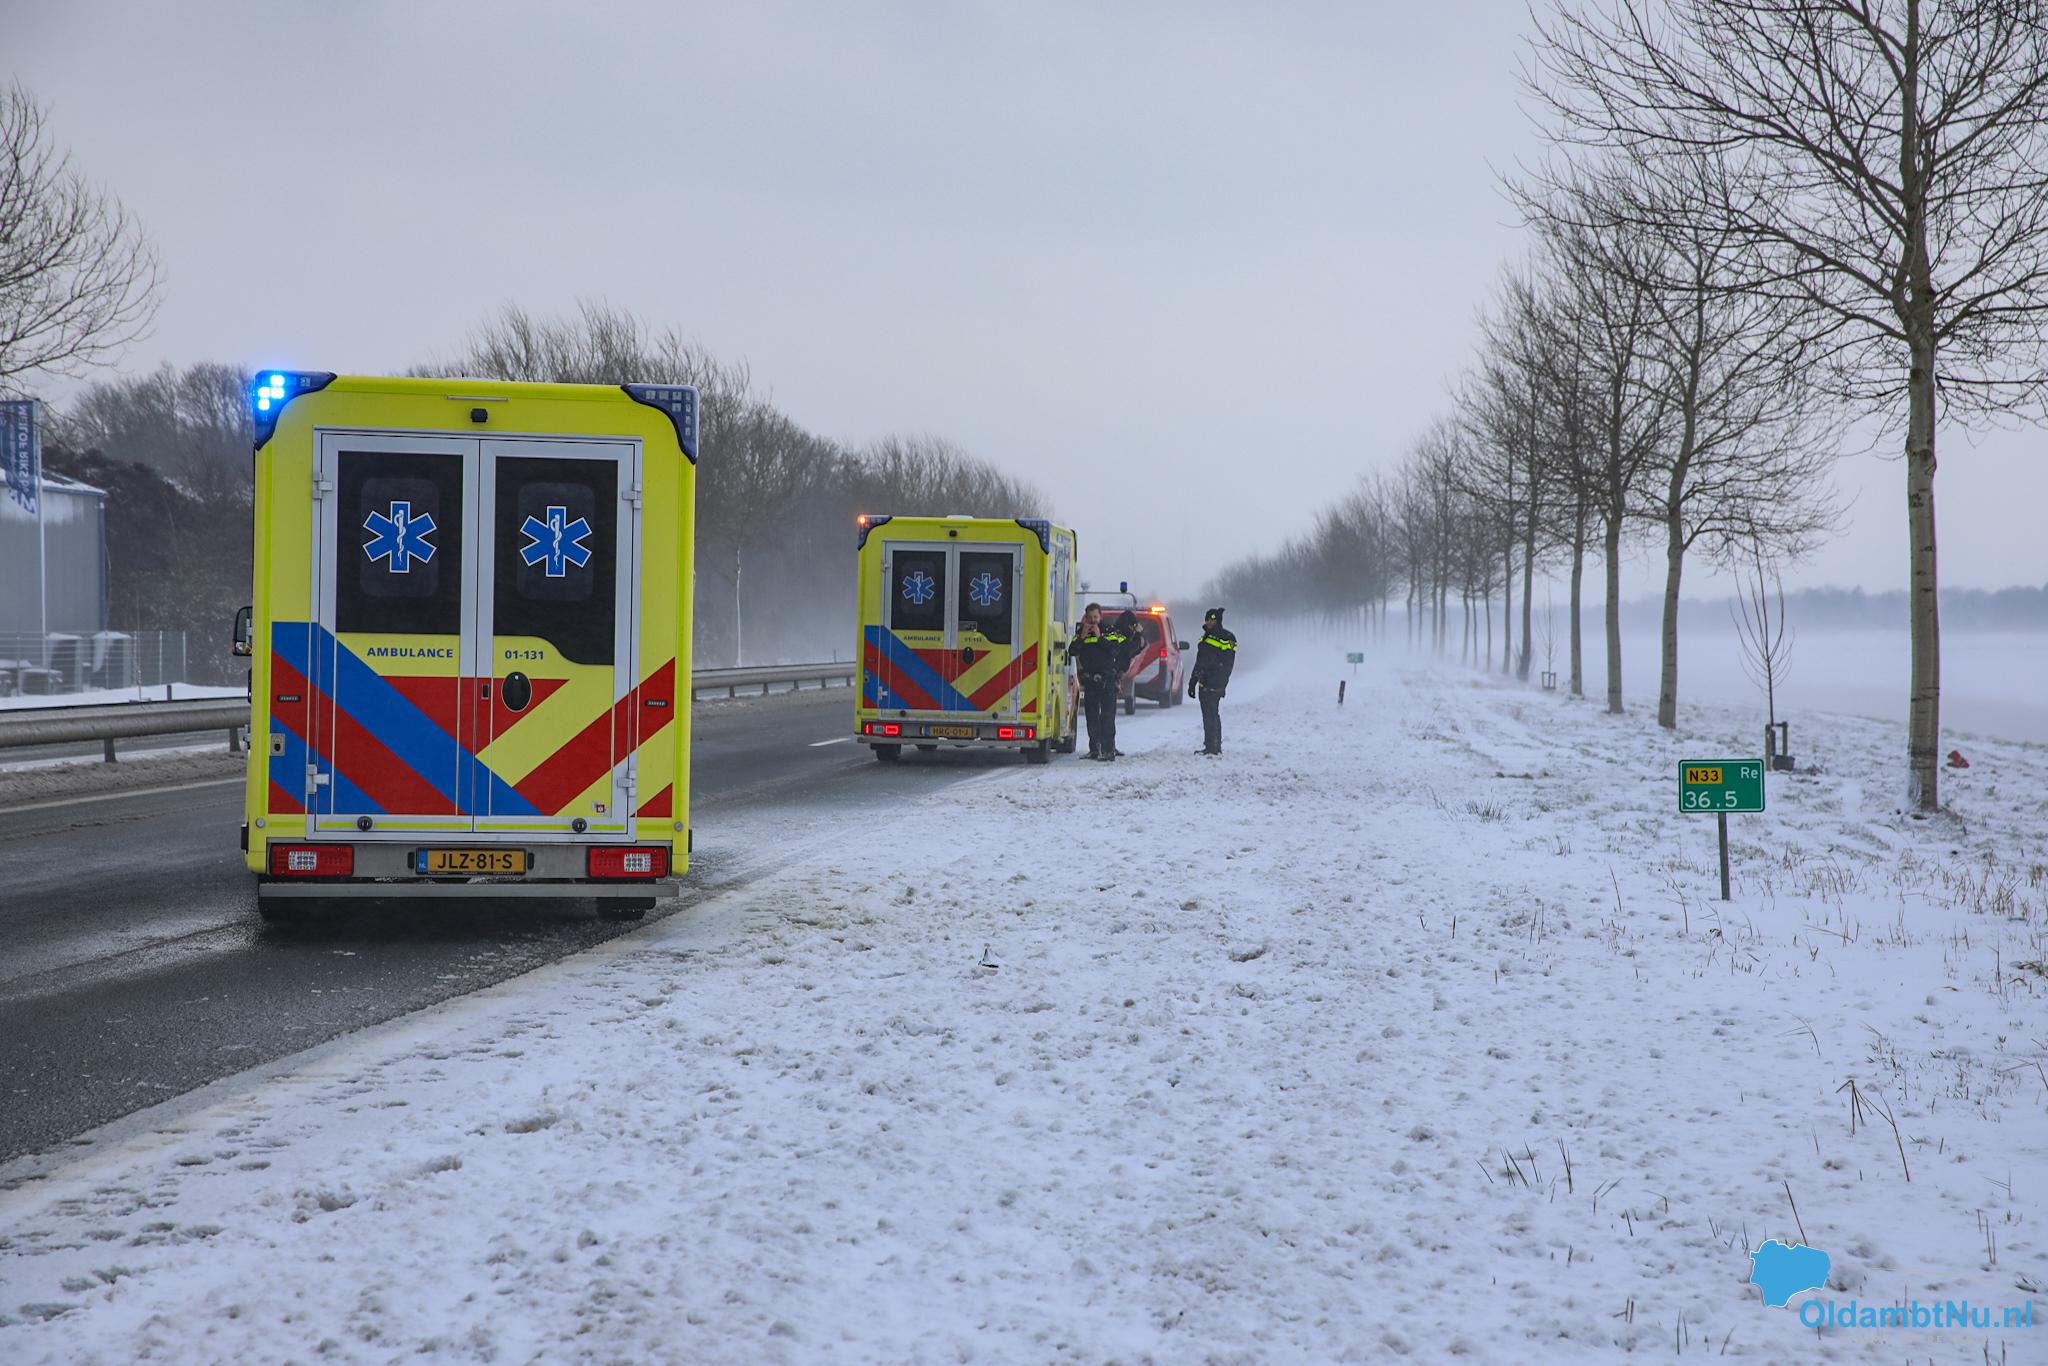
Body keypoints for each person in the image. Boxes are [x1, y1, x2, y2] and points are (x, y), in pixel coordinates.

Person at [1071, 603, 1126, 761]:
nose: (1093, 621)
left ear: (1100, 616)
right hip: (1090, 679)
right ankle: (1094, 749)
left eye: (1095, 617)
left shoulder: (1109, 631)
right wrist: (1082, 637)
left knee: (1107, 716)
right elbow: (1072, 650)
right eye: (1090, 618)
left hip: (1107, 679)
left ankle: (1109, 750)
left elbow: (1115, 650)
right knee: (1091, 715)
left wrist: (1099, 637)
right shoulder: (1082, 632)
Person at [1188, 606, 1236, 755]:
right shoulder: (1205, 637)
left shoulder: (1227, 637)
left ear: (1217, 620)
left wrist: (1221, 682)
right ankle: (1210, 744)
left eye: (1211, 619)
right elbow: (1199, 661)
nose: (1208, 622)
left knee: (1212, 713)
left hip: (1215, 681)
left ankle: (1214, 746)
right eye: (1207, 619)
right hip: (1204, 681)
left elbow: (1228, 664)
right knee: (1208, 713)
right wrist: (1193, 681)